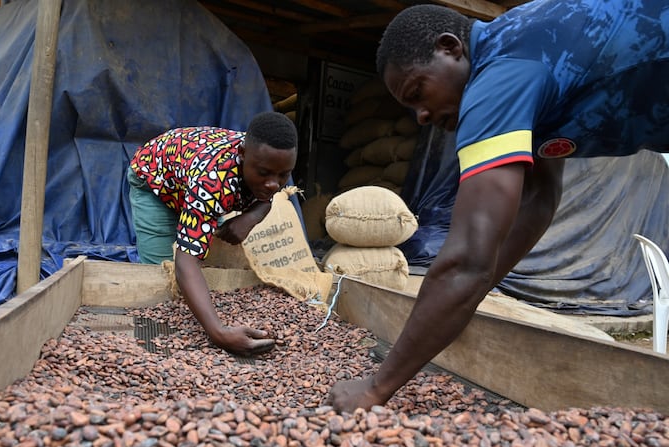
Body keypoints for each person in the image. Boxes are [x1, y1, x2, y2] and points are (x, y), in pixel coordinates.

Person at [328, 0, 669, 412]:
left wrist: (375, 388)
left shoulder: (499, 76)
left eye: (417, 93)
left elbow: (466, 263)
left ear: (451, 48)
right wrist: (464, 300)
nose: (420, 117)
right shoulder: (522, 55)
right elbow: (537, 198)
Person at [128, 111, 298, 357]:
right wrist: (218, 333)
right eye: (264, 173)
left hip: (193, 178)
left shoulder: (268, 158)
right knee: (162, 272)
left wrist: (250, 218)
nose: (273, 184)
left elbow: (268, 195)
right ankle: (155, 344)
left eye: (283, 175)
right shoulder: (212, 183)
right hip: (155, 179)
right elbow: (185, 262)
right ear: (242, 154)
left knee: (204, 256)